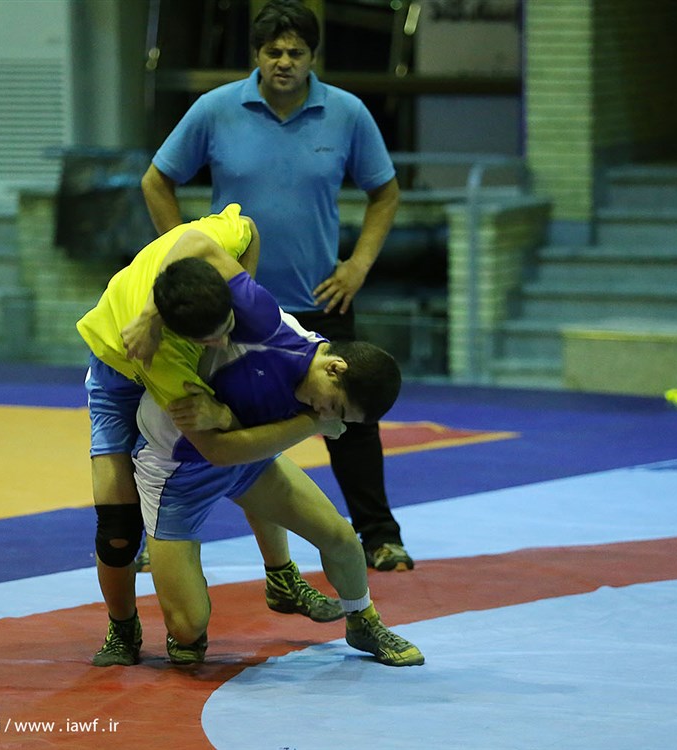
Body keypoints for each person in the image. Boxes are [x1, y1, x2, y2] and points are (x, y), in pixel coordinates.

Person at [140, 0, 414, 572]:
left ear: (313, 57)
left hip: (318, 299)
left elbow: (385, 192)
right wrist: (184, 266)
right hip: (230, 310)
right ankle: (158, 535)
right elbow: (156, 180)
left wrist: (358, 266)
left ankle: (380, 536)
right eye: (273, 51)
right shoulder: (216, 109)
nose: (284, 61)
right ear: (256, 55)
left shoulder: (346, 113)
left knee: (349, 418)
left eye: (296, 52)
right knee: (191, 417)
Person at [77, 203, 346, 668]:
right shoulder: (166, 358)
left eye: (228, 326)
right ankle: (122, 627)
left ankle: (281, 575)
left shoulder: (216, 258)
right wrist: (306, 423)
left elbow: (240, 231)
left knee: (253, 441)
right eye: (211, 340)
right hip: (121, 374)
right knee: (118, 528)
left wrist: (243, 288)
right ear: (182, 334)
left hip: (162, 321)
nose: (224, 343)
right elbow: (215, 448)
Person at [132, 257, 423, 667]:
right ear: (335, 368)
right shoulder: (266, 326)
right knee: (187, 629)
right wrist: (150, 315)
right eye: (336, 407)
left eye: (339, 418)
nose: (328, 418)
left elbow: (246, 446)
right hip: (178, 469)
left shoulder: (316, 387)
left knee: (341, 538)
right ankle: (133, 619)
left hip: (247, 461)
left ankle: (363, 621)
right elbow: (218, 452)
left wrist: (228, 417)